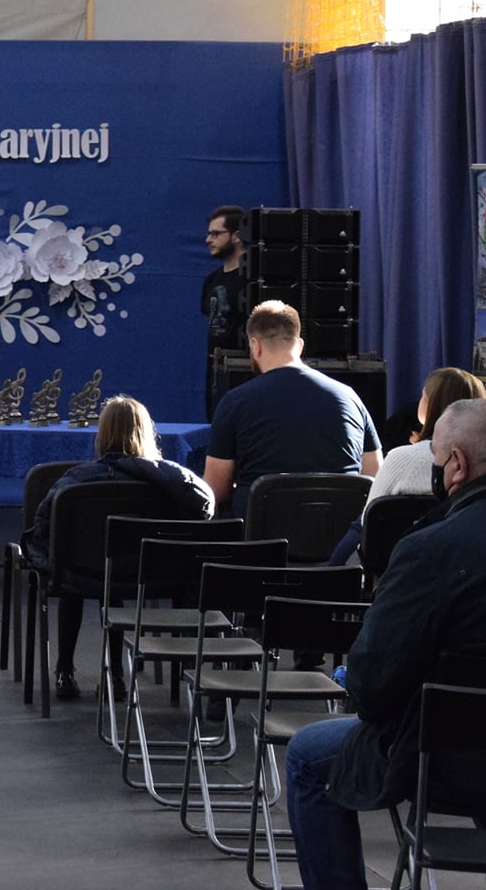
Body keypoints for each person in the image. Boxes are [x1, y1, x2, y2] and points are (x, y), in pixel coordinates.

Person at [284, 399, 486, 890]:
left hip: (445, 763)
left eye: (437, 459)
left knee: (308, 756)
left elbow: (372, 687)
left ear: (457, 464)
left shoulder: (429, 549)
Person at [21, 396, 214, 701]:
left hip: (83, 575)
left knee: (71, 563)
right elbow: (204, 509)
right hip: (151, 577)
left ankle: (64, 671)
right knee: (110, 573)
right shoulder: (171, 482)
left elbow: (44, 526)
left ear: (103, 434)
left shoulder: (75, 481)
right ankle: (116, 675)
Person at [203, 301, 380, 517]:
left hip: (260, 532)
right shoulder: (350, 398)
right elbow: (375, 474)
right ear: (300, 345)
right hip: (340, 532)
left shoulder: (234, 402)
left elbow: (215, 490)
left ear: (255, 345)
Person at [325, 366, 485, 565]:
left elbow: (368, 522)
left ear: (430, 405)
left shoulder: (402, 458)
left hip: (395, 569)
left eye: (423, 396)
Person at [202, 205, 248, 421]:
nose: (208, 240)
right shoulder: (211, 280)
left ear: (236, 236)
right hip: (216, 370)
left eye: (215, 234)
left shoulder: (253, 279)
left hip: (246, 368)